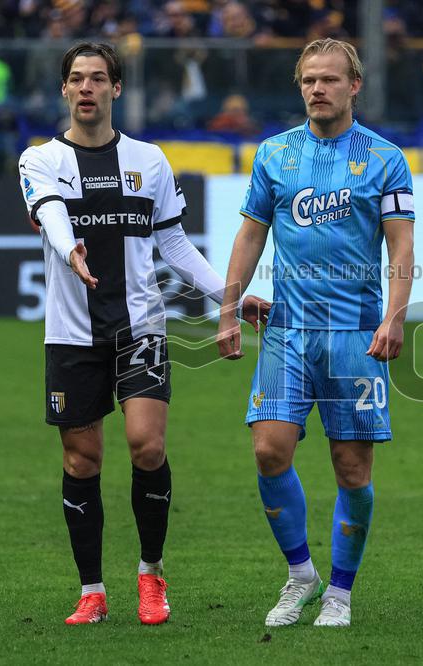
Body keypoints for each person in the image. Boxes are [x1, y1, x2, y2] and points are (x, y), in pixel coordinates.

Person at [17, 42, 267, 626]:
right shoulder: (40, 160)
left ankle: (151, 576)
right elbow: (51, 210)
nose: (86, 88)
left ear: (115, 89)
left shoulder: (149, 161)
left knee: (147, 446)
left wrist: (228, 297)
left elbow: (174, 244)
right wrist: (68, 245)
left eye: (97, 78)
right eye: (76, 78)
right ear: (64, 89)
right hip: (71, 334)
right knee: (82, 460)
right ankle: (92, 591)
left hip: (141, 325)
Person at [216, 38, 415, 628]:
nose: (317, 89)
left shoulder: (384, 158)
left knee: (351, 469)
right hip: (288, 330)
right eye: (308, 80)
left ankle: (341, 593)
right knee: (268, 450)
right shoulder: (275, 155)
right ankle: (301, 575)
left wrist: (396, 314)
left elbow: (401, 244)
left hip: (355, 333)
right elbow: (251, 235)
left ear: (355, 85)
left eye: (329, 80)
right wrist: (228, 309)